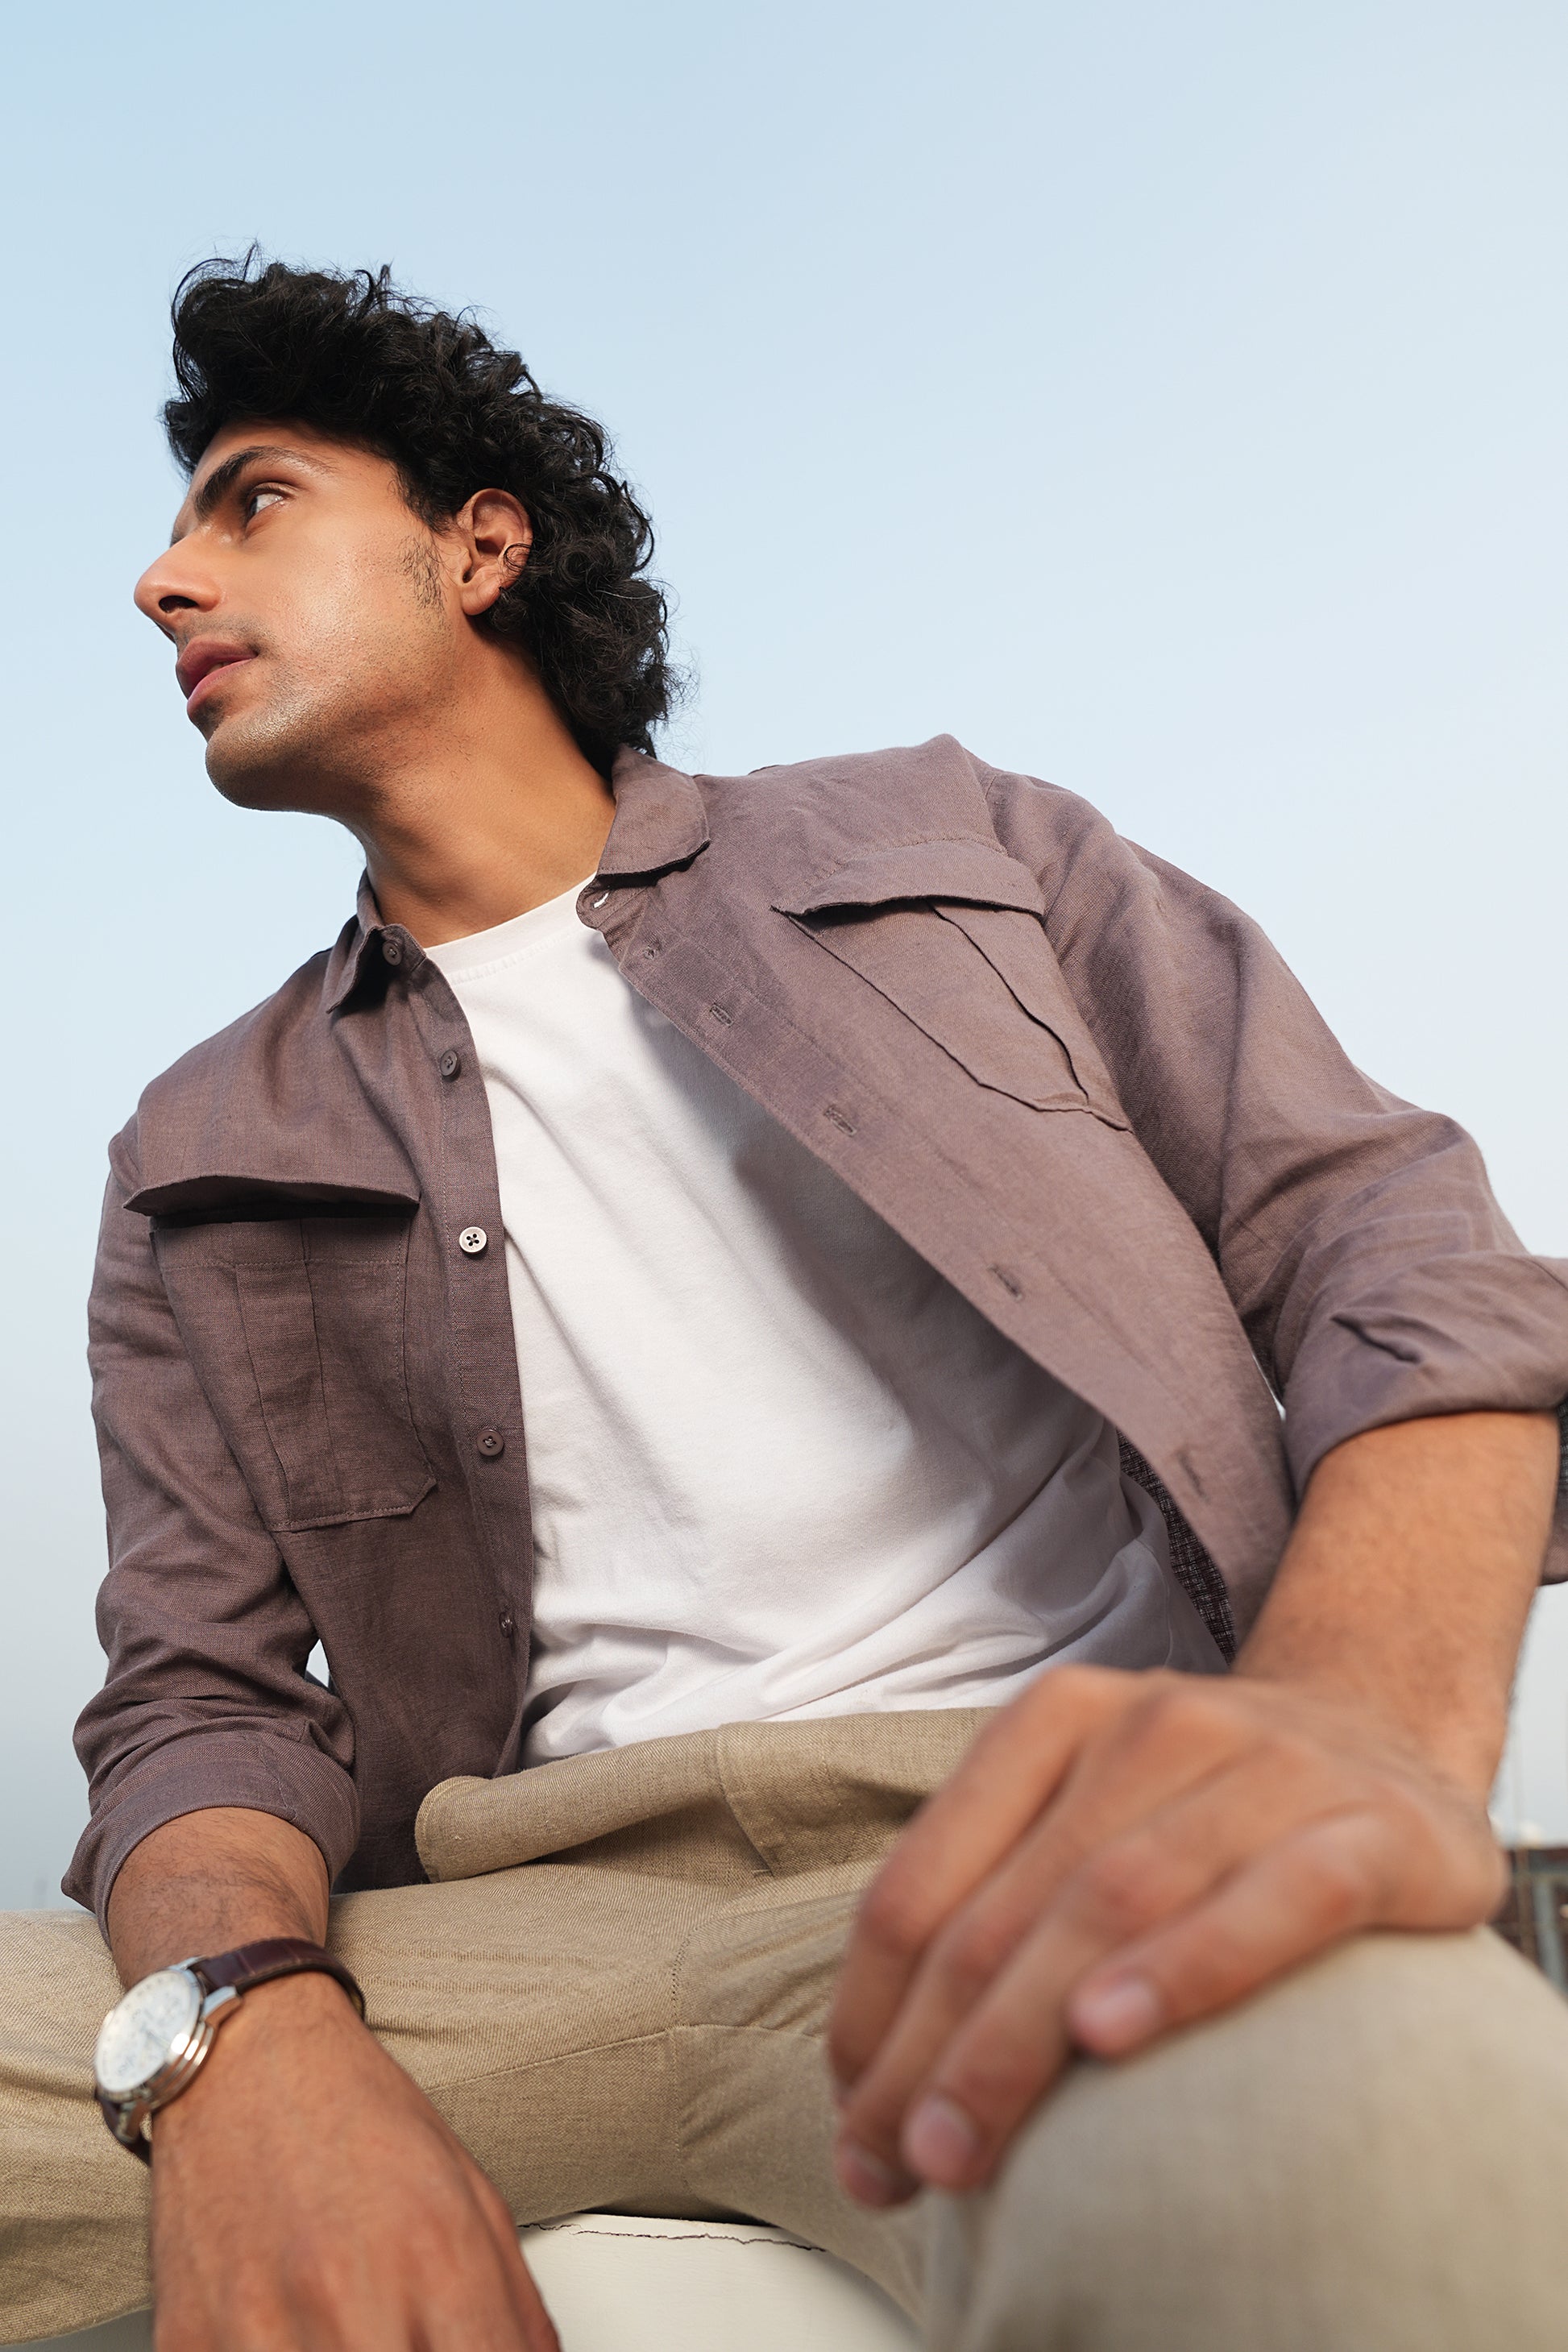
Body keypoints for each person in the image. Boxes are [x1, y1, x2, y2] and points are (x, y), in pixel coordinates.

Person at [3, 255, 1566, 2352]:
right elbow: (198, 1693)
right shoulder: (201, 1135)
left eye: (251, 500)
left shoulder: (959, 843)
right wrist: (242, 2036)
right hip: (488, 1928)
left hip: (1018, 1837)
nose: (162, 582)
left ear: (480, 546)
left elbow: (1387, 1240)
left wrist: (1356, 1724)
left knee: (1382, 2171)